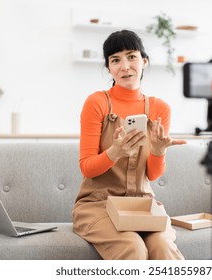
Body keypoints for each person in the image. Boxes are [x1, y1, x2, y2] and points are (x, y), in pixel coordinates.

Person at [72, 30, 186, 260]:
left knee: (163, 247)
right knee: (133, 247)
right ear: (108, 68)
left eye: (131, 56)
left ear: (144, 61)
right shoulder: (97, 102)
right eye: (115, 60)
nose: (124, 66)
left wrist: (158, 151)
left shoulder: (159, 108)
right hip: (98, 205)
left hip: (142, 204)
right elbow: (86, 167)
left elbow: (152, 175)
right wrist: (115, 152)